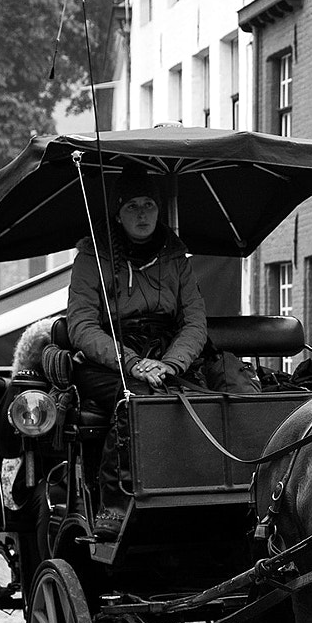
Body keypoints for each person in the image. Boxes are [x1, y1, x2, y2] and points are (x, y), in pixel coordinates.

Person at [66, 166, 256, 535]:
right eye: (133, 206)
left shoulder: (176, 259)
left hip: (167, 355)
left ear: (159, 210)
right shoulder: (92, 258)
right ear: (118, 213)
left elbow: (194, 322)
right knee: (138, 403)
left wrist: (170, 364)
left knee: (217, 398)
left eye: (149, 204)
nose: (142, 214)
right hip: (109, 358)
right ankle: (115, 504)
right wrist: (132, 363)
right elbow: (82, 327)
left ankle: (222, 495)